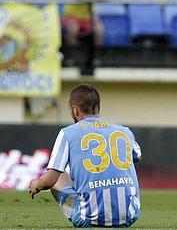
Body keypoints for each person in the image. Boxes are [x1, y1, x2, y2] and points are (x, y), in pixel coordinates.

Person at [28, 83, 142, 227]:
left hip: (88, 219)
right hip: (130, 215)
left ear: (75, 110)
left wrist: (36, 184)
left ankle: (82, 210)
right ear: (98, 107)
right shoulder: (123, 130)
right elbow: (137, 156)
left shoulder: (67, 133)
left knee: (58, 175)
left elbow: (49, 181)